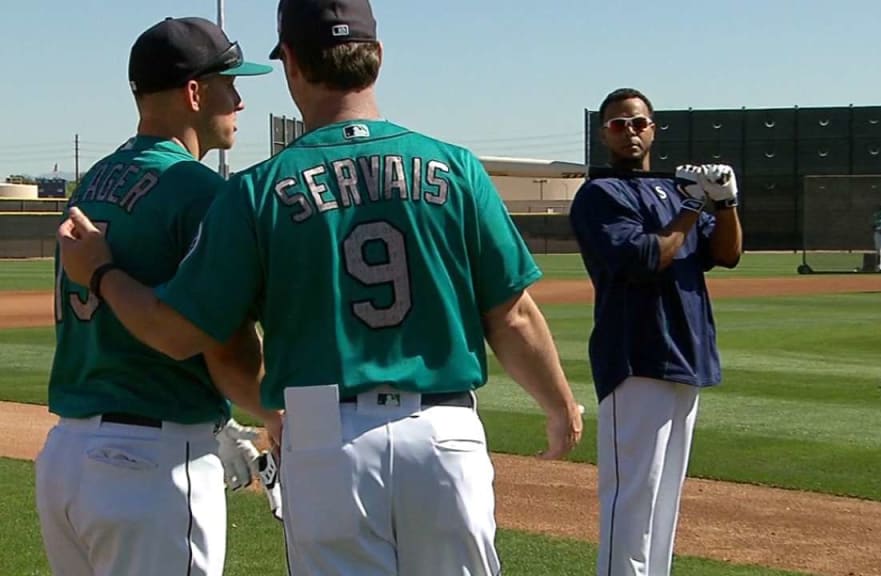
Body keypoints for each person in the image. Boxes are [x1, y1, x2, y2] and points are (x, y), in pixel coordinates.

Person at [55, 1, 584, 574]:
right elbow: (513, 316)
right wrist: (558, 405)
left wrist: (104, 274)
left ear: (293, 68)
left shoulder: (256, 190)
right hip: (445, 434)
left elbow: (189, 335)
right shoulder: (455, 168)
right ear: (377, 57)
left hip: (326, 437)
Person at [34, 17, 281, 576]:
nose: (239, 99)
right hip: (150, 466)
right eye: (230, 83)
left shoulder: (93, 181)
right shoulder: (199, 190)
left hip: (66, 460)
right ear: (194, 92)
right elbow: (226, 347)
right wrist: (281, 417)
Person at [569, 87, 743, 576]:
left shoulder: (672, 190)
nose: (630, 131)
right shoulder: (601, 194)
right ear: (604, 133)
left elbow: (726, 254)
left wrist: (725, 203)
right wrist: (692, 207)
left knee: (665, 500)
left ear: (653, 129)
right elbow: (646, 258)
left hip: (686, 353)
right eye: (619, 124)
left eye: (639, 122)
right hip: (636, 356)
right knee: (632, 497)